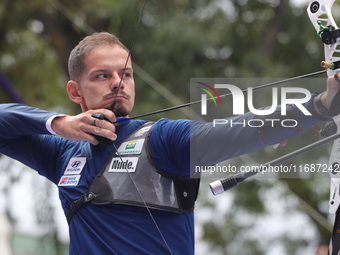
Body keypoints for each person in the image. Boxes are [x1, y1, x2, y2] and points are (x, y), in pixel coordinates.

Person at [0, 32, 339, 255]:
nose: (119, 82)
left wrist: (320, 104)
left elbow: (240, 129)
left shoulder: (161, 139)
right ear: (75, 91)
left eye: (126, 73)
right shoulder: (62, 153)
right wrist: (58, 124)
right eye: (102, 75)